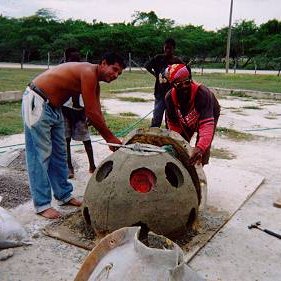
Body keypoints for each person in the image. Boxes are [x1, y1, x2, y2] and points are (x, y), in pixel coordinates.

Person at [22, 52, 126, 219]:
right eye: (114, 69)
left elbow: (96, 111)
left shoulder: (94, 82)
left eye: (119, 74)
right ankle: (42, 204)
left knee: (60, 153)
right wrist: (110, 139)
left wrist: (109, 134)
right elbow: (91, 113)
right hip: (38, 101)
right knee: (40, 155)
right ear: (103, 63)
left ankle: (64, 195)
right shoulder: (88, 72)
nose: (115, 75)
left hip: (55, 109)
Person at [164, 64, 220, 166]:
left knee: (202, 147)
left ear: (190, 79)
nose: (184, 86)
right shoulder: (169, 98)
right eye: (179, 85)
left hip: (210, 112)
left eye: (187, 82)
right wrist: (179, 144)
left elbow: (206, 126)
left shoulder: (202, 93)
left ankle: (199, 173)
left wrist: (200, 148)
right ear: (172, 85)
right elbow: (174, 125)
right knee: (179, 146)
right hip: (186, 116)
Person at [61, 48, 96, 179]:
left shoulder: (84, 74)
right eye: (72, 61)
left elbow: (90, 96)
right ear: (66, 60)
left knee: (86, 139)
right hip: (65, 111)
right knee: (66, 140)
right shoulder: (62, 73)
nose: (75, 64)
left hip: (80, 112)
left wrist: (89, 113)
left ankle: (92, 165)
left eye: (77, 60)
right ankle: (69, 167)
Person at [145, 38, 183, 128]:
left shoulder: (177, 61)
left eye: (170, 48)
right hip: (160, 93)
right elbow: (147, 66)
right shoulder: (158, 58)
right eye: (165, 48)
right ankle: (154, 136)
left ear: (174, 49)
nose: (167, 50)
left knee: (170, 118)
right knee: (157, 115)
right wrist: (156, 75)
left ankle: (169, 136)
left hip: (173, 94)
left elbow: (185, 72)